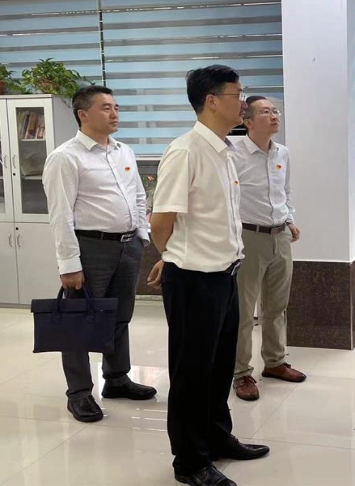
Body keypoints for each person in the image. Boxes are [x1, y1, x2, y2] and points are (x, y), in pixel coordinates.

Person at [149, 65, 269, 486]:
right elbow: (161, 220)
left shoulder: (224, 149)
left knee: (219, 368)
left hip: (224, 274)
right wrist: (171, 257)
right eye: (238, 94)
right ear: (212, 101)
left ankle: (217, 437)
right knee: (192, 372)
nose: (245, 101)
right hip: (194, 279)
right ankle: (190, 461)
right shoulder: (185, 151)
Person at [42, 85, 156, 424]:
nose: (115, 113)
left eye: (116, 107)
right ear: (83, 114)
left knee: (120, 316)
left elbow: (139, 195)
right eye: (106, 107)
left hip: (127, 246)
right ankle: (79, 393)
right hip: (90, 248)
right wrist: (68, 264)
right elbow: (60, 215)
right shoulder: (66, 157)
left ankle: (117, 378)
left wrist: (141, 235)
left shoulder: (124, 151)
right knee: (79, 320)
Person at [231, 96, 305, 402]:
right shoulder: (233, 153)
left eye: (275, 111)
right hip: (248, 237)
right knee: (243, 311)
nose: (274, 115)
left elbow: (284, 192)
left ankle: (274, 362)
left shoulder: (282, 153)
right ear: (247, 121)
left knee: (277, 305)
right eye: (265, 112)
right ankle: (240, 372)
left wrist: (290, 220)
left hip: (280, 236)